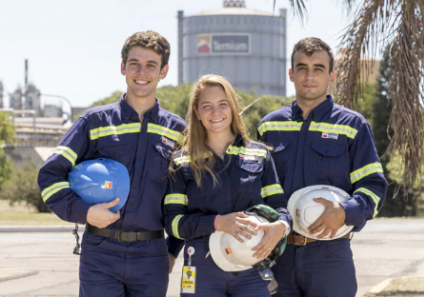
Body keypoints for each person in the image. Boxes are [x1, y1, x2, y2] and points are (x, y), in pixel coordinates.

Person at [38, 31, 185, 297]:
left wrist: (173, 249)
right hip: (100, 252)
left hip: (152, 255)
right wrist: (84, 211)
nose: (142, 71)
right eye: (134, 63)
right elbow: (50, 175)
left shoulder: (178, 131)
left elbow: (189, 197)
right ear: (123, 67)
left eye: (151, 65)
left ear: (163, 71)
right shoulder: (94, 122)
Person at [257, 37, 388, 297]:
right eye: (302, 68)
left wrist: (344, 211)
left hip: (330, 255)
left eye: (318, 68)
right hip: (277, 254)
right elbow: (254, 188)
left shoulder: (353, 126)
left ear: (331, 75)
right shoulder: (269, 126)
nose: (309, 75)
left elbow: (374, 186)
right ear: (291, 74)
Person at [164, 74, 292, 296]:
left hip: (252, 267)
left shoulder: (259, 154)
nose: (216, 113)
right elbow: (173, 223)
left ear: (232, 107)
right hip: (200, 268)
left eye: (223, 104)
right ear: (196, 112)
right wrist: (216, 222)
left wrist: (281, 227)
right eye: (207, 106)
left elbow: (280, 207)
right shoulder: (181, 161)